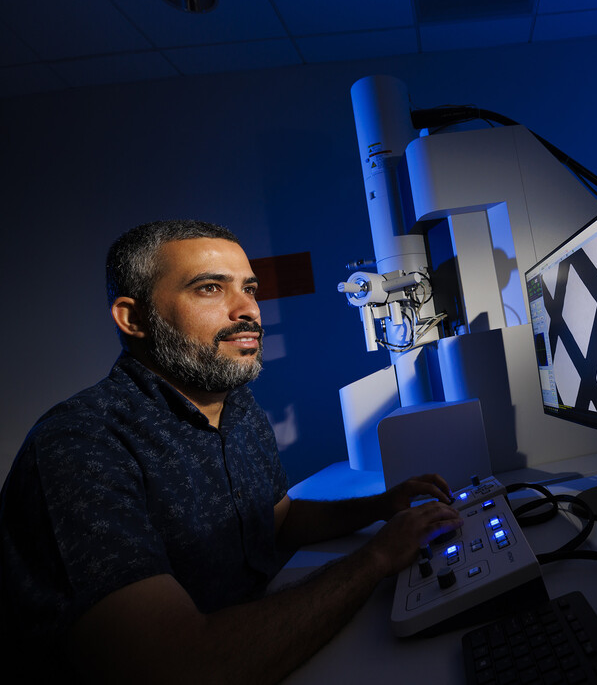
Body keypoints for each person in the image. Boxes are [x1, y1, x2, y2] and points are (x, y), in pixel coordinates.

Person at [0, 219, 463, 682]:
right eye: (209, 289)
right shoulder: (80, 446)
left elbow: (277, 521)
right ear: (134, 318)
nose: (248, 310)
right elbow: (177, 665)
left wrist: (380, 507)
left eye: (251, 289)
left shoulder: (236, 406)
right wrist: (376, 559)